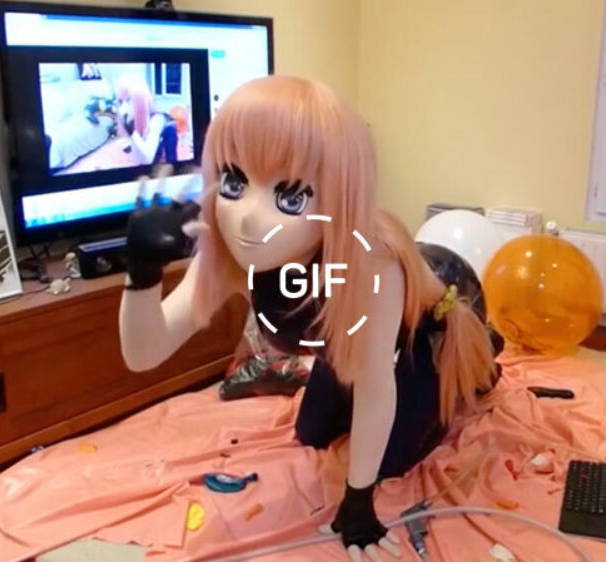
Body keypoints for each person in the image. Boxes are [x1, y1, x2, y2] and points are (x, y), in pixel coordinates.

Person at [119, 76, 497, 560]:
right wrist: (142, 273)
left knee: (388, 460)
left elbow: (376, 386)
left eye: (290, 196)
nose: (248, 217)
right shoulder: (232, 254)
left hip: (434, 311)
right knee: (312, 432)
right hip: (347, 339)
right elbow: (144, 354)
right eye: (234, 182)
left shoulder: (372, 264)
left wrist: (358, 501)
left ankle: (483, 357)